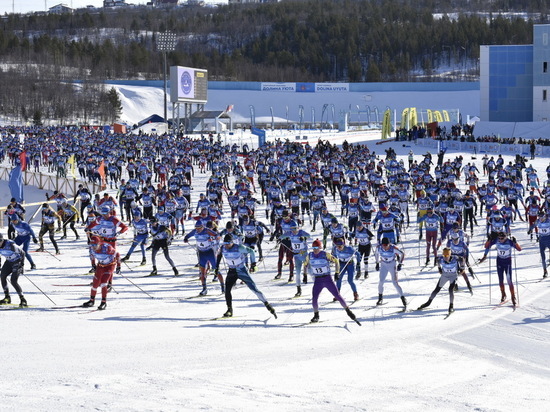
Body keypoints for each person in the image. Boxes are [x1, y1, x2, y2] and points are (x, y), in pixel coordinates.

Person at [215, 234, 276, 319]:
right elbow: (219, 256)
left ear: (232, 242)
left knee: (254, 289)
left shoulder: (239, 247)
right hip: (231, 271)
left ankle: (267, 304)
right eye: (225, 243)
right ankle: (229, 310)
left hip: (242, 270)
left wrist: (253, 264)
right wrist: (216, 267)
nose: (226, 245)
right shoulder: (223, 248)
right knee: (227, 290)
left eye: (228, 243)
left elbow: (251, 251)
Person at [302, 239, 360, 324]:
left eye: (317, 247)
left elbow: (336, 261)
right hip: (318, 280)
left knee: (337, 295)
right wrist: (305, 275)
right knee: (314, 298)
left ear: (320, 247)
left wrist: (337, 272)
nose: (315, 249)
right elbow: (305, 265)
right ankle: (316, 315)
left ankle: (348, 311)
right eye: (313, 248)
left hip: (327, 279)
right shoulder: (309, 255)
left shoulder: (325, 254)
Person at [478, 232, 521, 306]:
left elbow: (519, 249)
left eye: (502, 238)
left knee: (509, 280)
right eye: (499, 238)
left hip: (507, 262)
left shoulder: (509, 242)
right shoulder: (496, 240)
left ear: (505, 237)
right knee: (501, 280)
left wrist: (515, 243)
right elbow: (486, 246)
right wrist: (489, 240)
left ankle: (513, 297)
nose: (500, 240)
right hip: (499, 261)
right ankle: (503, 294)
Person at [417, 247, 462, 315]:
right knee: (436, 289)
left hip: (453, 276)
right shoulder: (441, 258)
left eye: (447, 255)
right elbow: (437, 260)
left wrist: (462, 268)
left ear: (450, 255)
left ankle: (451, 306)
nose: (445, 257)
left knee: (450, 289)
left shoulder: (455, 258)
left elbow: (463, 259)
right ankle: (428, 302)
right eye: (444, 255)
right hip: (444, 276)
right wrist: (439, 268)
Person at [82, 236, 121, 310]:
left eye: (95, 245)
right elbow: (92, 256)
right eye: (92, 245)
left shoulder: (107, 248)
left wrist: (118, 266)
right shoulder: (92, 249)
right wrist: (93, 265)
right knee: (95, 284)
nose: (93, 247)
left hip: (109, 266)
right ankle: (91, 300)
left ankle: (103, 302)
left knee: (103, 283)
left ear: (99, 244)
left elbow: (117, 254)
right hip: (100, 265)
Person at [184, 220, 220, 295]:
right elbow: (189, 234)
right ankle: (204, 288)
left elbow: (217, 237)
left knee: (214, 266)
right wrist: (186, 238)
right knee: (203, 268)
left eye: (199, 227)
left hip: (211, 249)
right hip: (201, 251)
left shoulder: (208, 231)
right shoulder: (196, 231)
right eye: (196, 227)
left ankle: (217, 278)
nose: (197, 229)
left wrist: (213, 240)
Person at [373, 237, 407, 309]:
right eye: (383, 245)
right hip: (383, 265)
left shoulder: (393, 248)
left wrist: (400, 263)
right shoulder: (379, 247)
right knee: (381, 281)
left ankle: (403, 298)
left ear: (389, 244)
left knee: (395, 283)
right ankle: (380, 298)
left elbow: (402, 254)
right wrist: (377, 263)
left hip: (392, 264)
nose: (385, 247)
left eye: (386, 245)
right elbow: (376, 253)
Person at [0, 233, 27, 307]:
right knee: (2, 276)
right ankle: (7, 297)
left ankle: (22, 299)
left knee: (13, 281)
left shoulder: (11, 245)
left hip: (17, 261)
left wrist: (22, 265)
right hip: (8, 262)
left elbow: (22, 253)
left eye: (0, 241)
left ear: (2, 240)